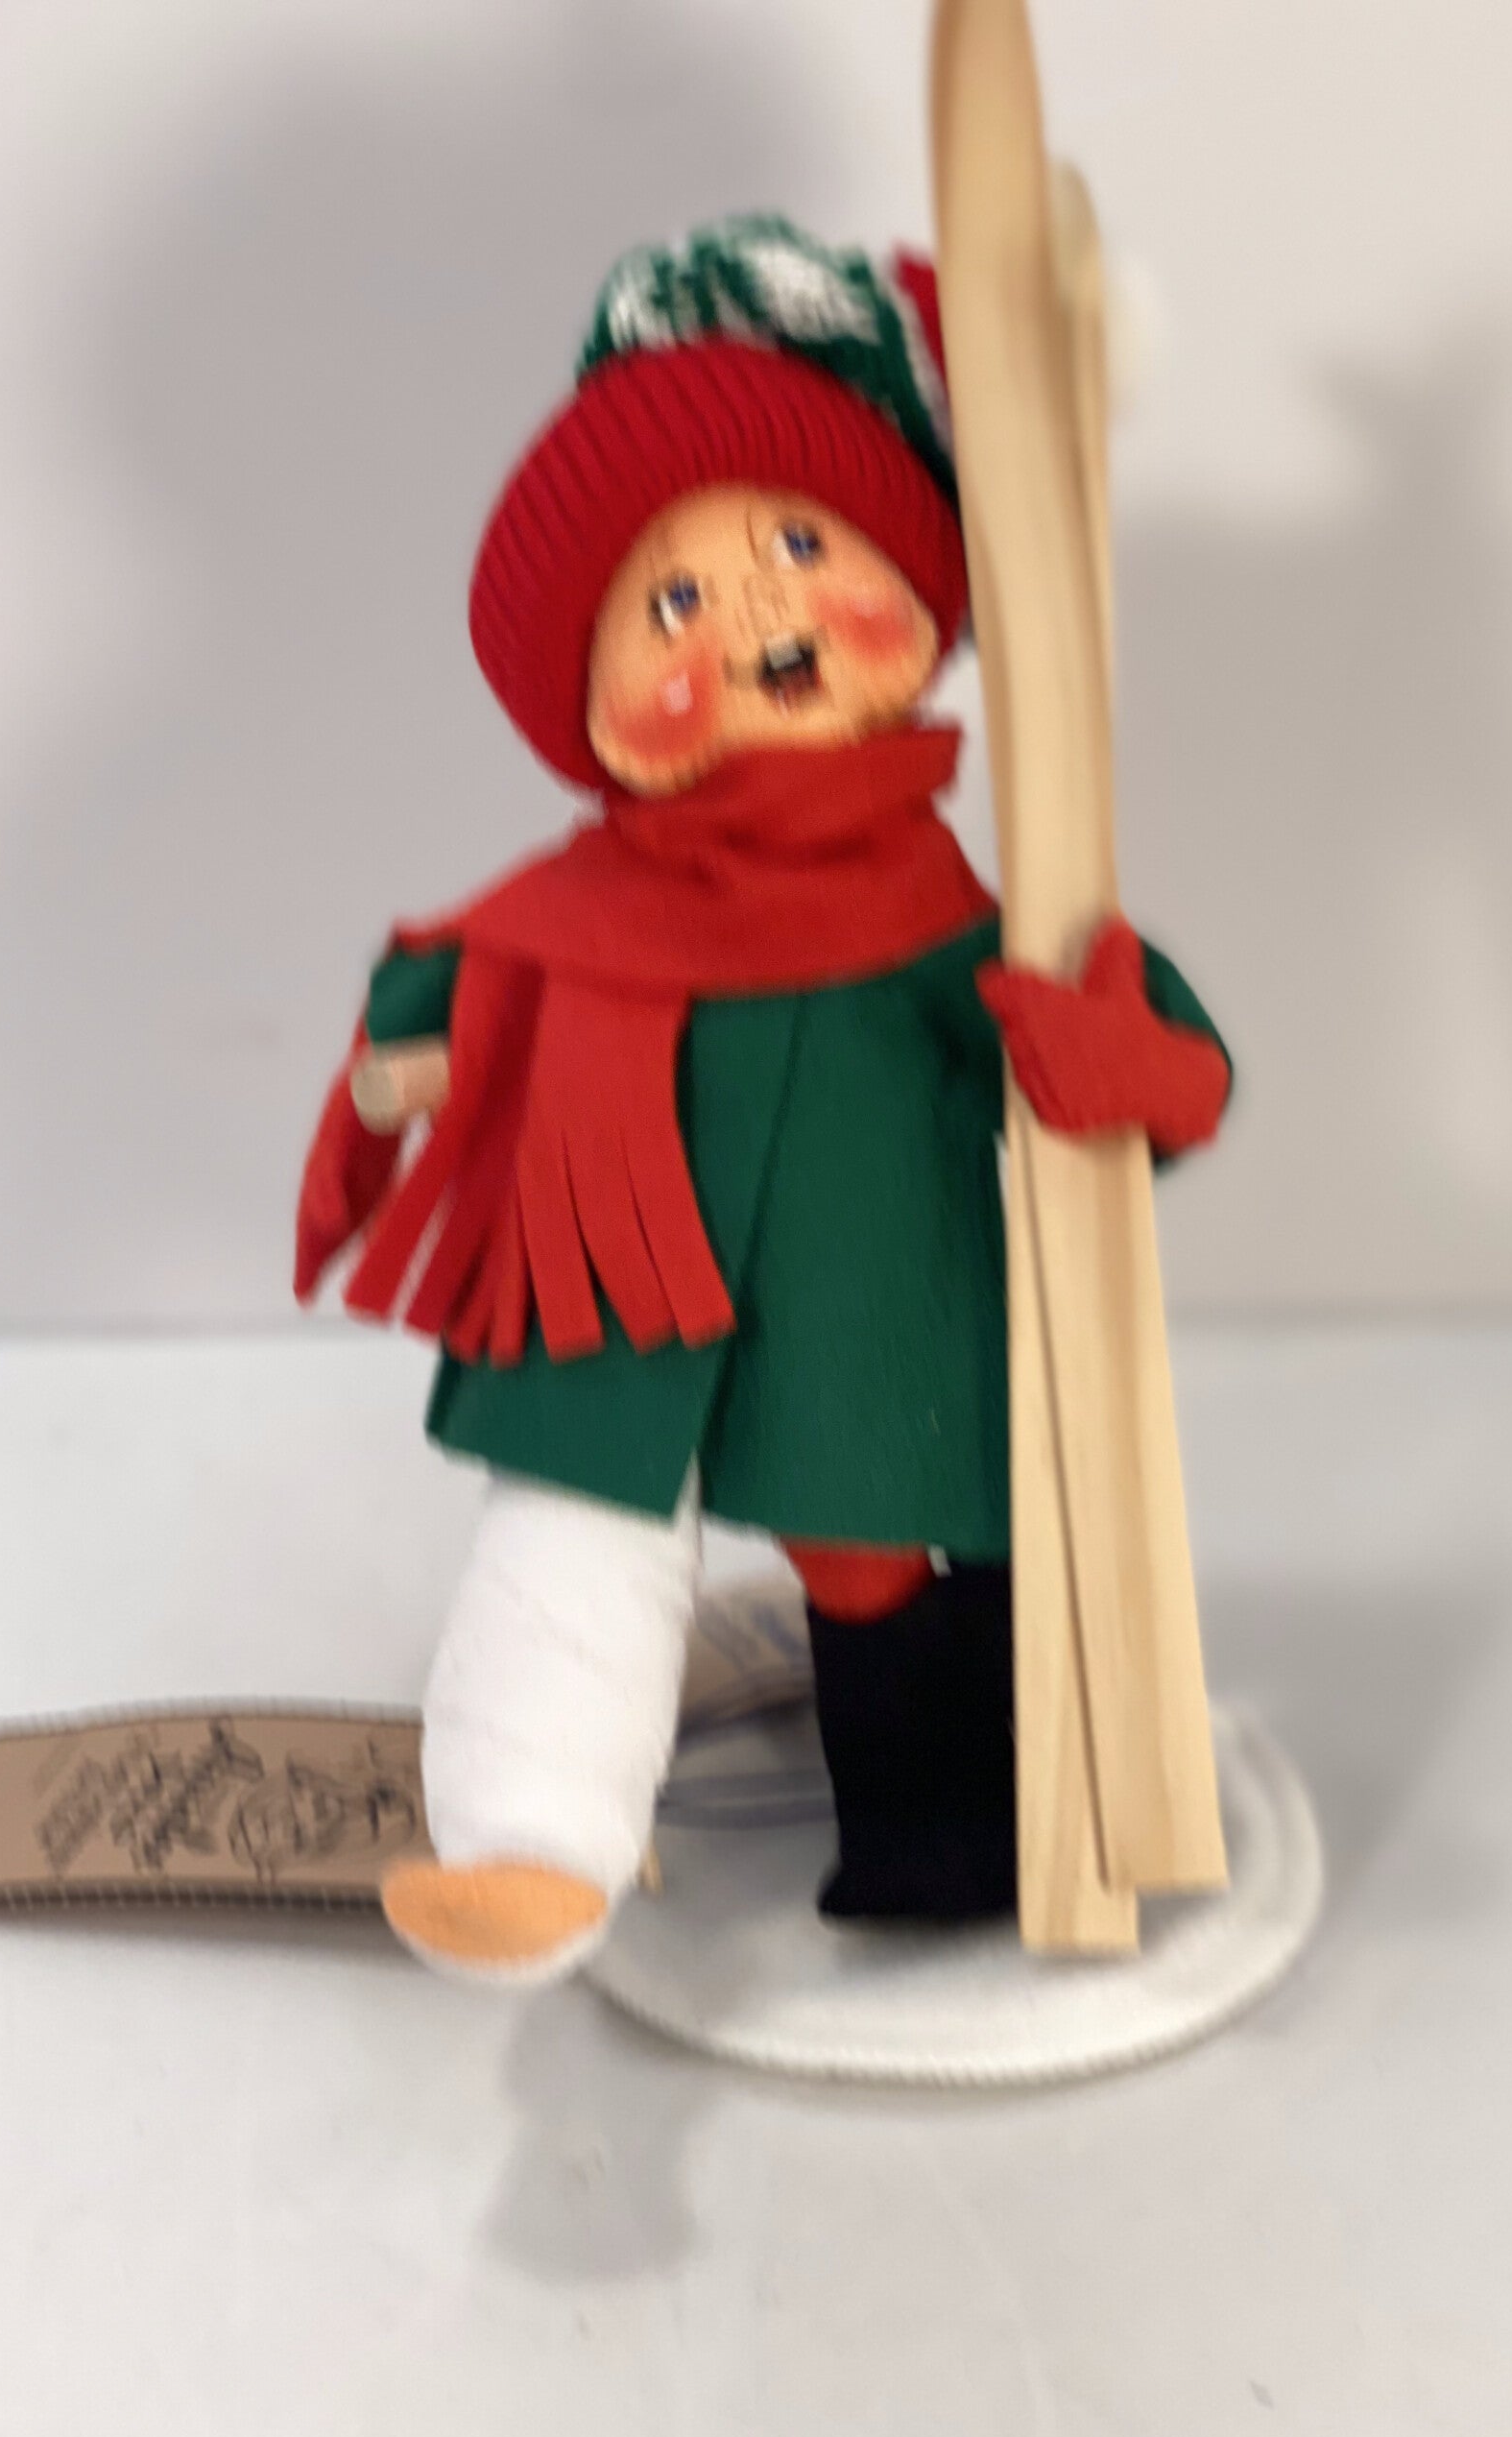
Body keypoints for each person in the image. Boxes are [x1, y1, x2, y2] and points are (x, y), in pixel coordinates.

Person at [296, 216, 1231, 1985]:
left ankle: (944, 1839)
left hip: (858, 1320)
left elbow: (1140, 1059)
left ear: (920, 586)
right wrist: (417, 1055)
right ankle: (527, 1851)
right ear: (592, 711)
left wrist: (1119, 1061)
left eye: (802, 543)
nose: (760, 615)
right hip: (599, 1281)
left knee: (873, 1554)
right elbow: (462, 983)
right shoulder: (570, 914)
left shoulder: (952, 915)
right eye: (673, 601)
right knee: (569, 1522)